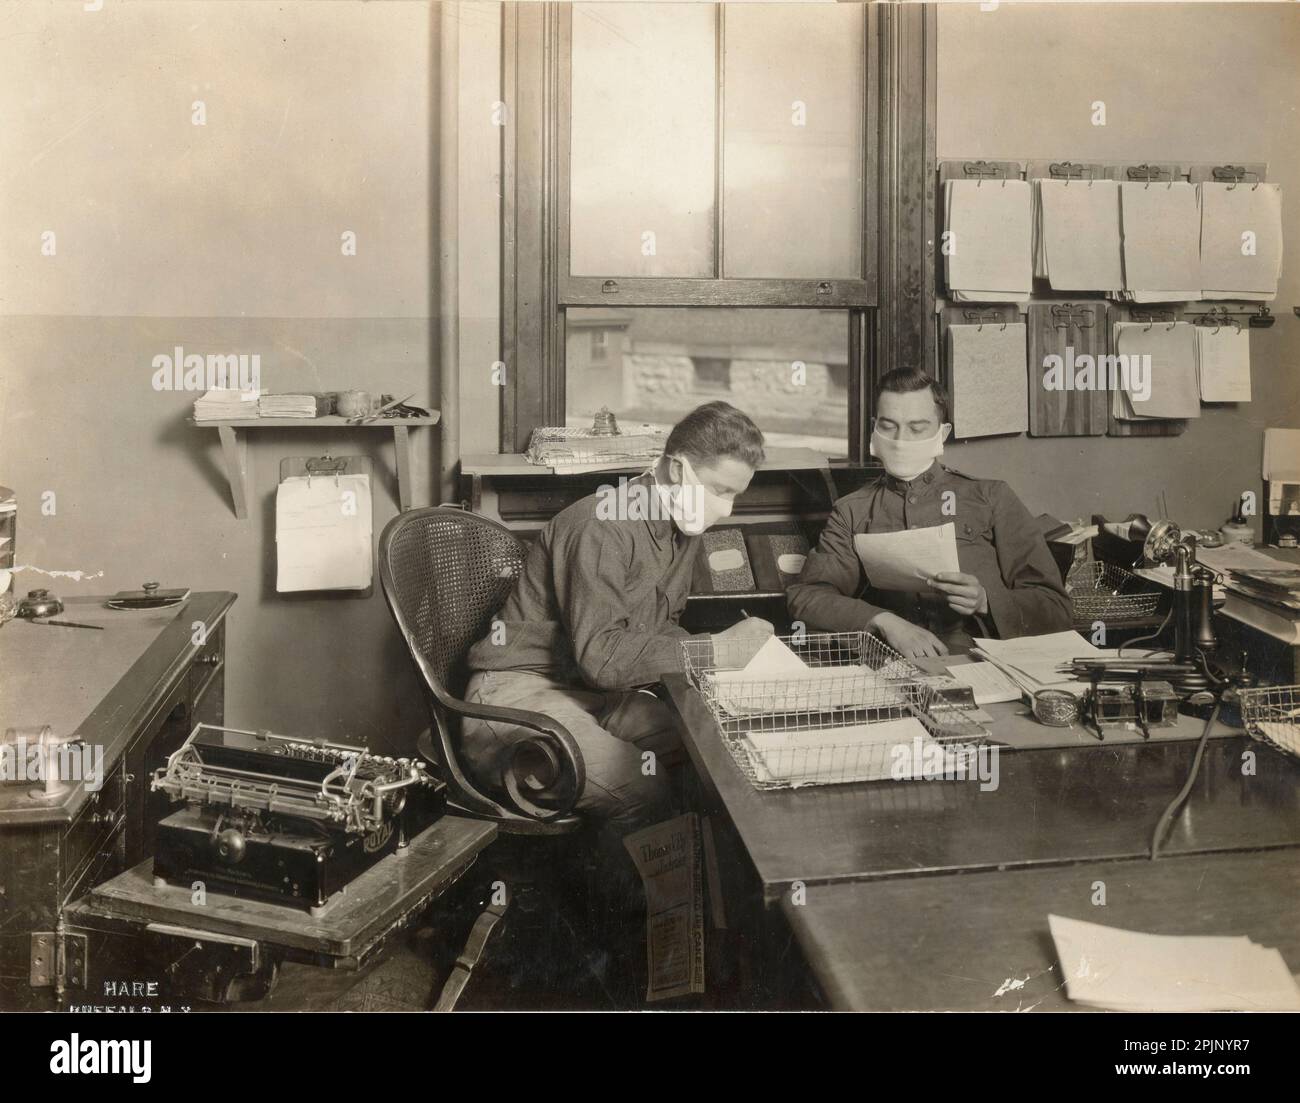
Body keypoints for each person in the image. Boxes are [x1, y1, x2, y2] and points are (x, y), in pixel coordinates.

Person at [462, 400, 773, 839]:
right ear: (678, 469)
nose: (727, 509)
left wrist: (723, 666)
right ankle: (638, 908)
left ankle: (688, 903)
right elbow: (603, 660)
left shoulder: (680, 525)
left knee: (715, 756)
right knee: (644, 791)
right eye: (721, 490)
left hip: (588, 694)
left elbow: (658, 629)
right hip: (516, 692)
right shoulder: (600, 524)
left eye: (736, 495)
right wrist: (714, 650)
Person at [788, 368, 1071, 659]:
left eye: (917, 427)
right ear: (874, 428)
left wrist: (986, 600)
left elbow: (1056, 609)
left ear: (942, 433)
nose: (901, 439)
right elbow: (807, 596)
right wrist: (884, 620)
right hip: (892, 666)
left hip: (985, 664)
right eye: (888, 426)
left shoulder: (990, 497)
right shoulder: (852, 510)